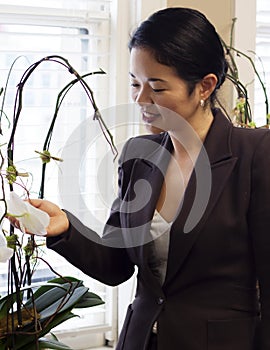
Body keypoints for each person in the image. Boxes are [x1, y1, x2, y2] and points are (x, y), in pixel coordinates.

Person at [26, 7, 270, 350]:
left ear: (204, 86)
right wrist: (65, 227)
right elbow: (117, 264)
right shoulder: (138, 154)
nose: (141, 99)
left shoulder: (255, 153)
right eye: (135, 83)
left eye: (156, 87)